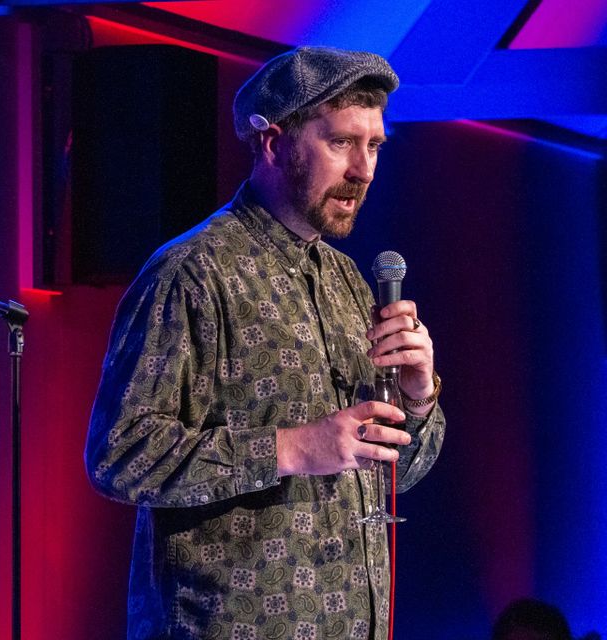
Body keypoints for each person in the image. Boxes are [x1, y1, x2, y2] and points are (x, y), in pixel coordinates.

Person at [85, 46, 445, 639]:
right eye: (341, 142)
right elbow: (118, 454)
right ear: (275, 144)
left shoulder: (347, 282)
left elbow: (393, 475)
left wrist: (418, 396)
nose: (364, 170)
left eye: (375, 145)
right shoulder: (193, 273)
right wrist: (293, 448)